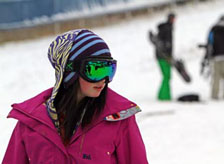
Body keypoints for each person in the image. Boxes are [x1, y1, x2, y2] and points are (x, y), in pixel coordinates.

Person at [2, 29, 148, 164]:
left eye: (109, 70)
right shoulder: (31, 122)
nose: (103, 79)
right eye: (95, 70)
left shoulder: (118, 118)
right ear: (70, 72)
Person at [155, 13, 176, 100]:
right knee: (167, 76)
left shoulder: (165, 28)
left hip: (162, 55)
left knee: (166, 76)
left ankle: (162, 95)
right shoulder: (167, 29)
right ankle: (165, 96)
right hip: (164, 56)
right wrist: (168, 55)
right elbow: (166, 44)